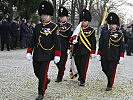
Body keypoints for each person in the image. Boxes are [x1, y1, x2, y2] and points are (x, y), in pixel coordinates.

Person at [26, 1, 61, 100]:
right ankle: (46, 80)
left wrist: (57, 54)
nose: (43, 17)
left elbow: (57, 42)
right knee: (36, 71)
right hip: (37, 53)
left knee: (42, 73)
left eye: (45, 15)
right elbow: (33, 40)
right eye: (42, 15)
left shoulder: (54, 27)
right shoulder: (37, 26)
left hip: (47, 54)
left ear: (49, 15)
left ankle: (41, 93)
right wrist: (29, 51)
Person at [96, 12, 125, 91]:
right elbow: (101, 44)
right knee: (104, 69)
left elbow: (122, 46)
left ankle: (109, 84)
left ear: (117, 25)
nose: (112, 26)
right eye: (110, 24)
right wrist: (99, 53)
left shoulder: (120, 35)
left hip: (114, 56)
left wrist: (121, 56)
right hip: (104, 55)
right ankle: (110, 79)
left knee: (111, 70)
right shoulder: (105, 33)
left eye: (114, 24)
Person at [71, 9, 96, 86]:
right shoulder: (77, 29)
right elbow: (72, 38)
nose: (84, 22)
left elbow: (93, 41)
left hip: (86, 51)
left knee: (84, 66)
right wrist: (73, 41)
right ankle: (81, 75)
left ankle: (83, 80)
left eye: (85, 21)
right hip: (77, 50)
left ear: (88, 21)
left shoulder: (91, 30)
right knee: (78, 65)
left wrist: (93, 51)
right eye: (82, 20)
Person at [55, 7, 72, 82]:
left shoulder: (69, 26)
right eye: (60, 17)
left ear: (66, 17)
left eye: (63, 17)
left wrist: (69, 47)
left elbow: (70, 37)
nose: (61, 18)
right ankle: (62, 69)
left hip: (65, 47)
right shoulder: (56, 25)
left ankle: (59, 77)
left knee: (62, 63)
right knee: (56, 62)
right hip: (56, 47)